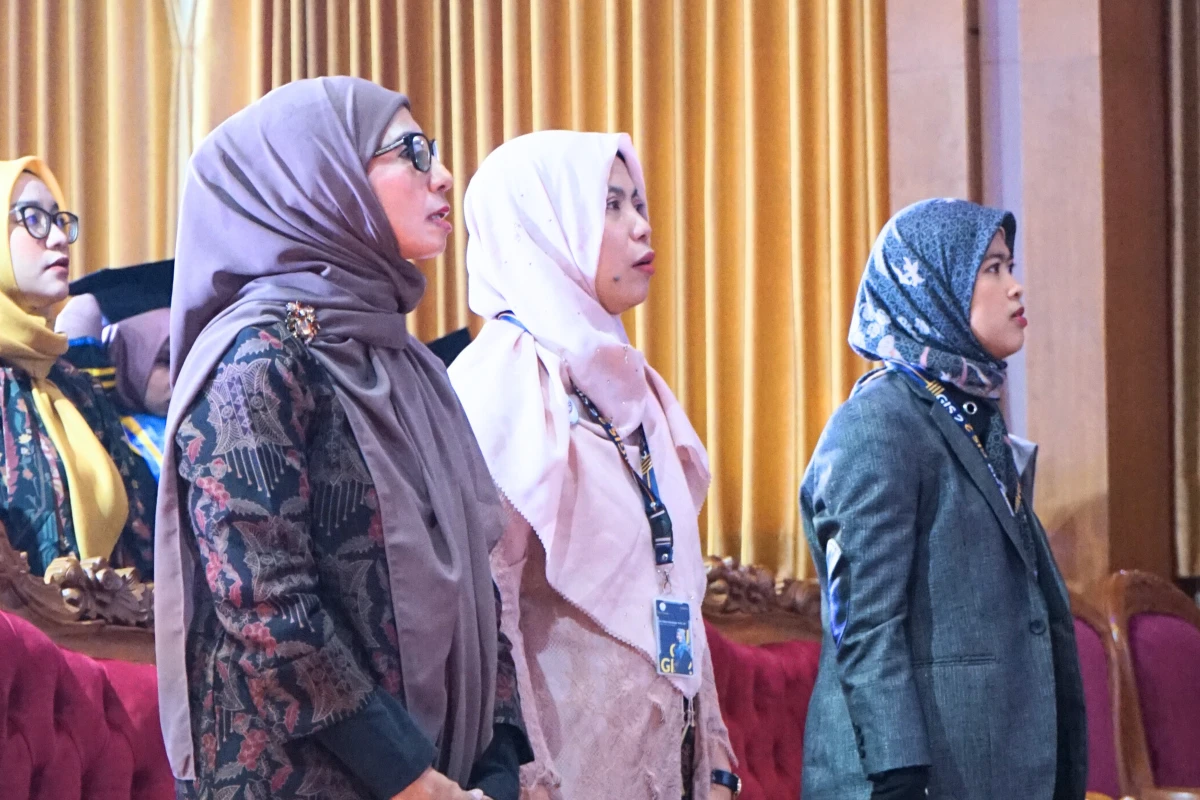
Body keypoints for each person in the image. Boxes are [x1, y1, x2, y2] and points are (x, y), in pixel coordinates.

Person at [154, 76, 530, 800]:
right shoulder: (256, 362)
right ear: (320, 176)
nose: (443, 176)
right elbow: (268, 608)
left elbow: (477, 591)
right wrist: (414, 781)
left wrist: (497, 771)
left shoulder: (410, 365)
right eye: (412, 153)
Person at [447, 131, 739, 800]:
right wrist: (526, 778)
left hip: (669, 768)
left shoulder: (633, 388)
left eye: (638, 202)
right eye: (610, 205)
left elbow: (673, 581)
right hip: (567, 772)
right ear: (545, 225)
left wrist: (715, 757)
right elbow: (489, 614)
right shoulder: (497, 387)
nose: (641, 225)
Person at [799, 199, 1087, 800]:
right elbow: (866, 623)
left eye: (1010, 266)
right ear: (933, 286)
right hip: (908, 781)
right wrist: (898, 775)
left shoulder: (970, 417)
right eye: (992, 269)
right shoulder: (876, 424)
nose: (1015, 287)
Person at [0, 157, 156, 577]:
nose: (57, 237)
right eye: (33, 219)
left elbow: (141, 542)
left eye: (59, 220)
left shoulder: (77, 388)